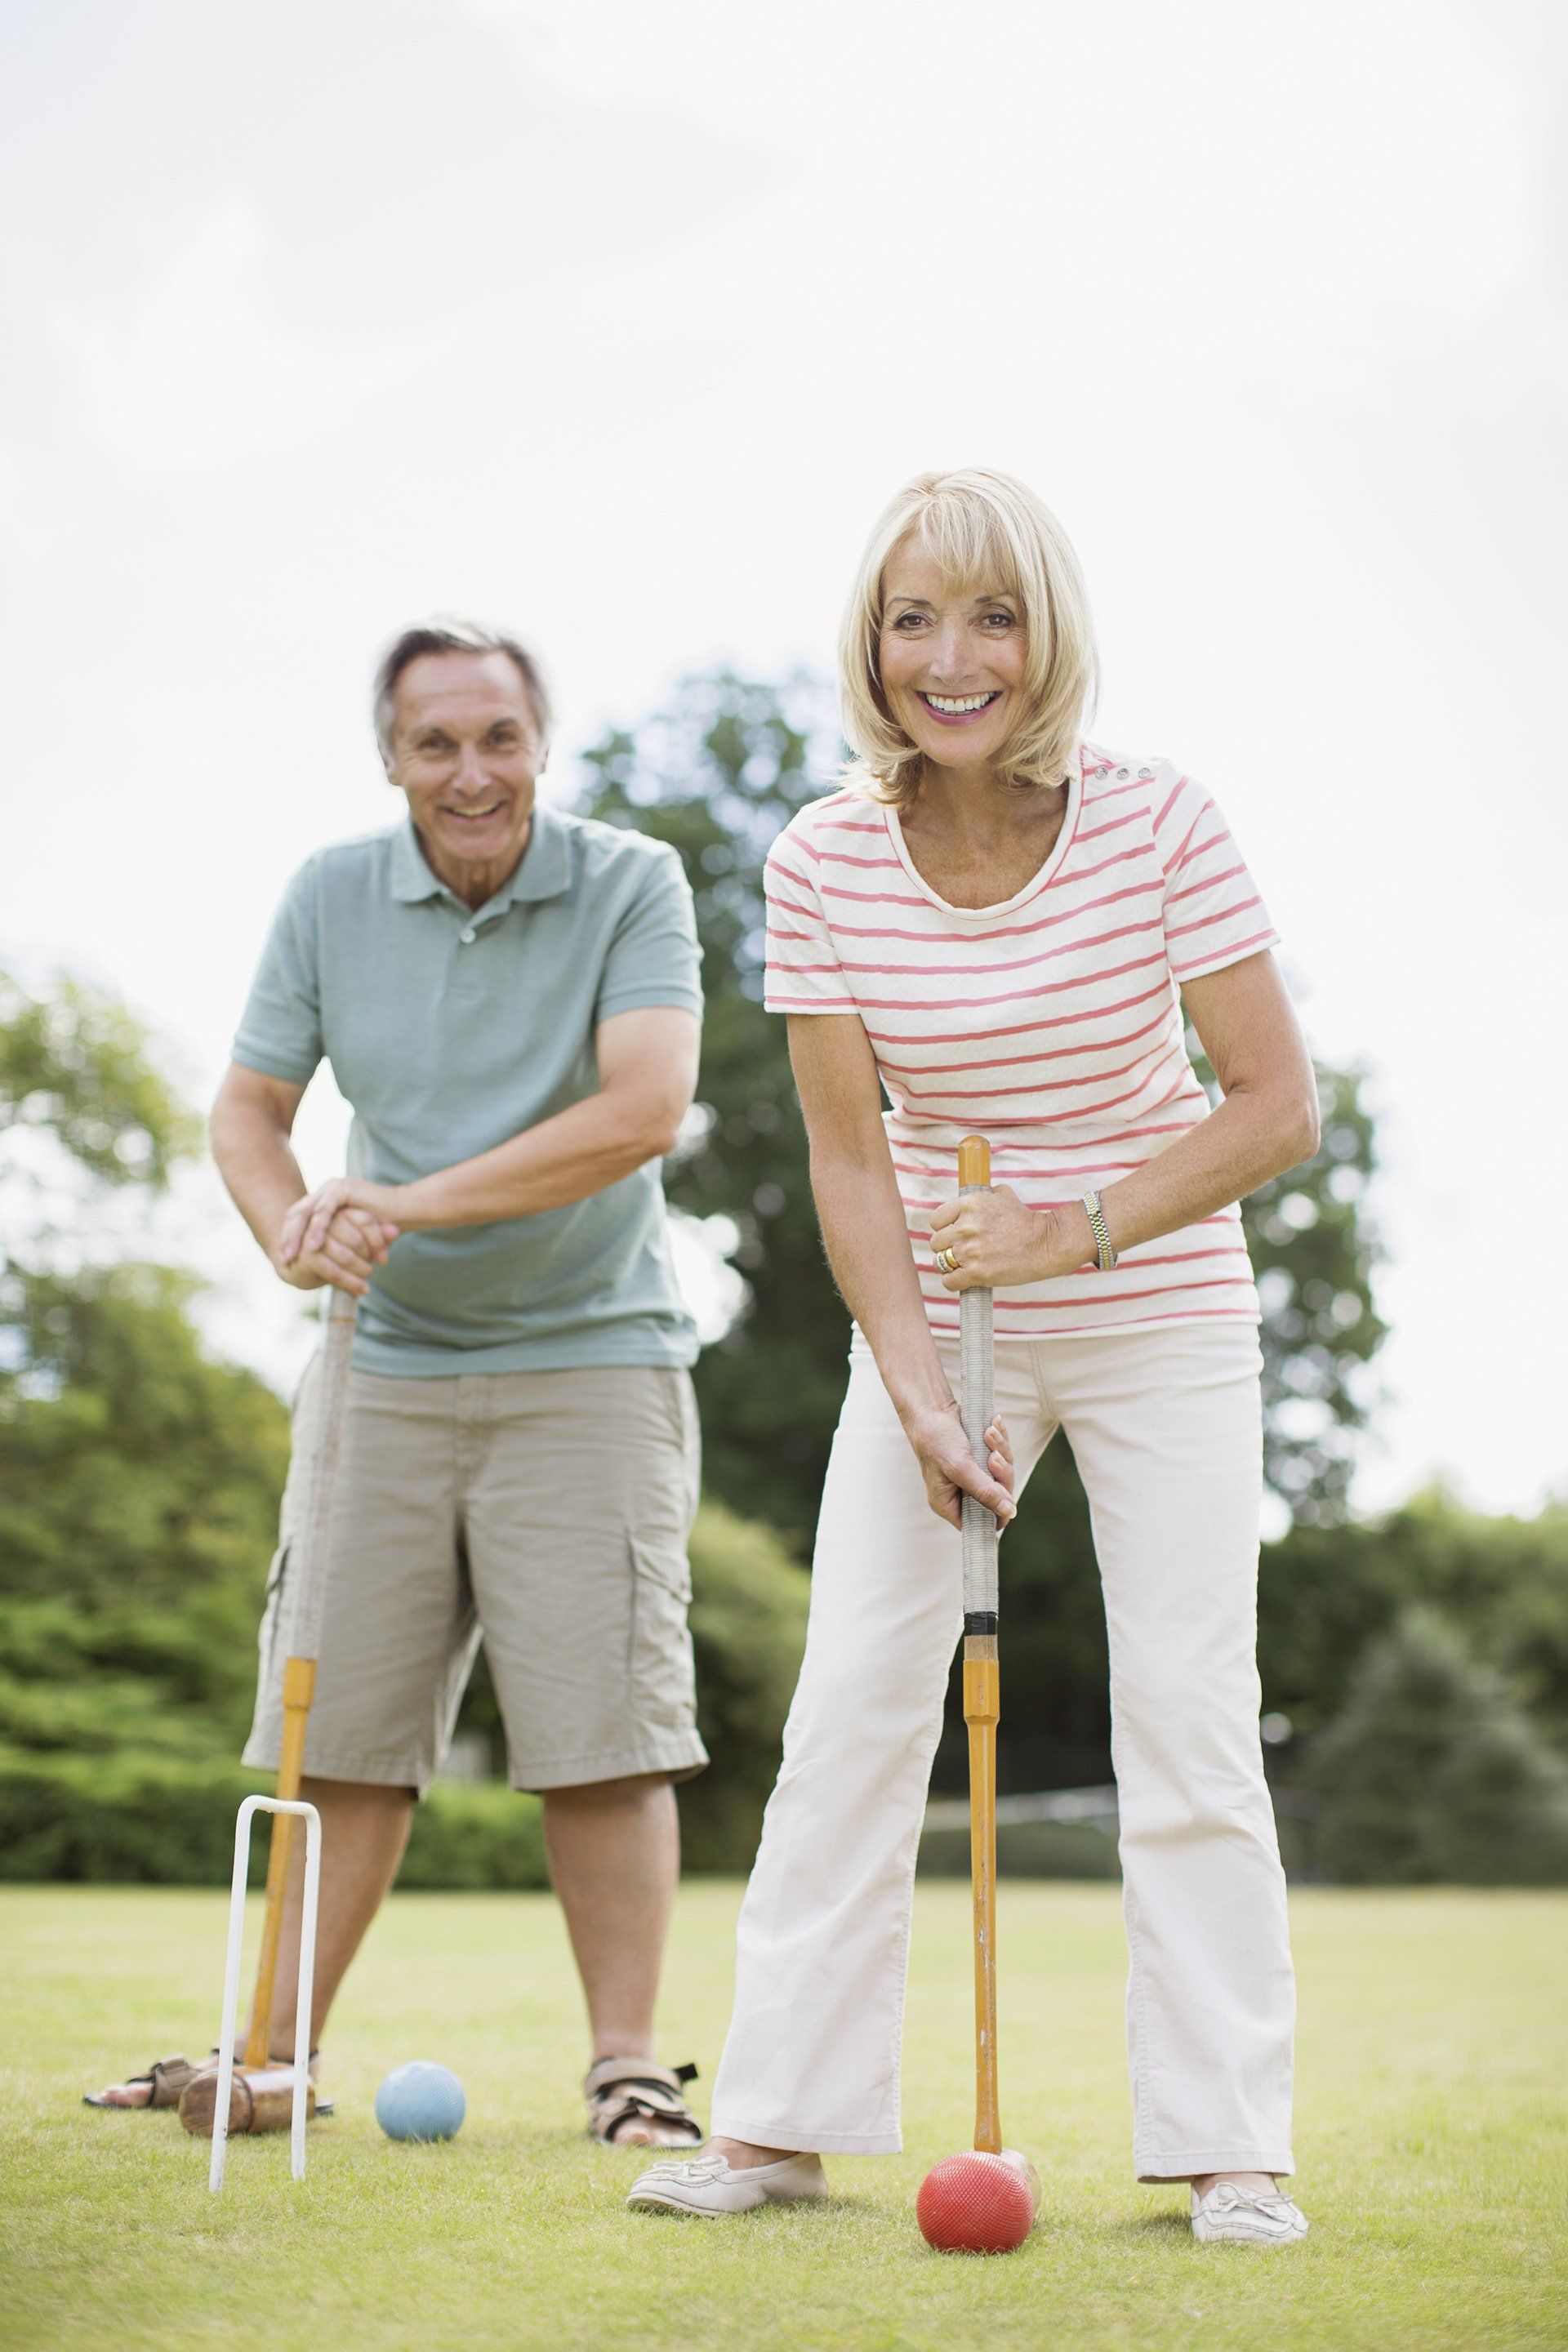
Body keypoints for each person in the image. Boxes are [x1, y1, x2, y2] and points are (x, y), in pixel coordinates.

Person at [628, 469, 1317, 2244]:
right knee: (859, 1697)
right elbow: (850, 1160)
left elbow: (1275, 1108)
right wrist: (926, 1389)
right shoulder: (821, 859)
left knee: (1189, 1713)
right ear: (873, 645)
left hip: (1158, 1305)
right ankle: (775, 2121)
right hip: (945, 1319)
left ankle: (1228, 2143)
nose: (954, 657)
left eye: (993, 616)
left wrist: (1075, 1230)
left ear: (1048, 636)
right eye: (915, 618)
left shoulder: (1162, 822)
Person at [90, 617, 710, 2149]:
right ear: (392, 758)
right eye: (435, 741)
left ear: (541, 744)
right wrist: (288, 1225)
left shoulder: (632, 883)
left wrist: (406, 1202)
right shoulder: (329, 895)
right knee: (343, 1732)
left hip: (590, 1357)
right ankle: (274, 2056)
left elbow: (645, 1108)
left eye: (499, 736)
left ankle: (626, 2069)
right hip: (383, 1366)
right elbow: (247, 1107)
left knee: (605, 1734)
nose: (471, 770)